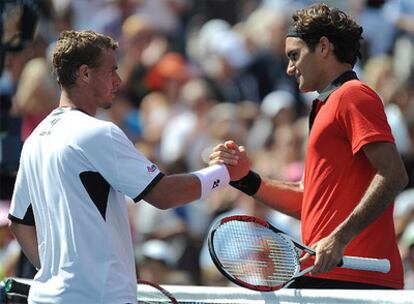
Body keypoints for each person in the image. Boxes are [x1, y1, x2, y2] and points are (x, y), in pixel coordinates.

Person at [7, 30, 240, 304]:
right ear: (84, 73)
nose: (118, 81)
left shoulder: (35, 139)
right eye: (111, 71)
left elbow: (19, 223)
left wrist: (56, 272)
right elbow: (163, 194)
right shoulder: (97, 133)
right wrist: (224, 173)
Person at [209, 3, 409, 289]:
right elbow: (309, 201)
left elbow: (394, 174)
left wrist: (339, 238)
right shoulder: (325, 105)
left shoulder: (353, 95)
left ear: (324, 47)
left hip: (357, 278)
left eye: (294, 56)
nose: (290, 69)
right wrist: (246, 180)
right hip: (329, 275)